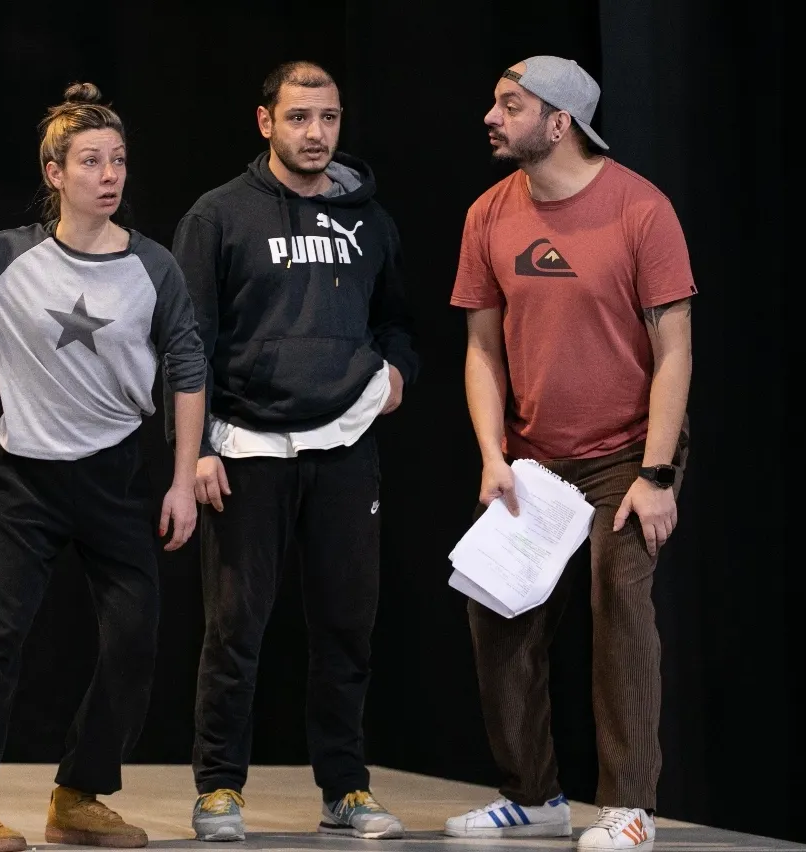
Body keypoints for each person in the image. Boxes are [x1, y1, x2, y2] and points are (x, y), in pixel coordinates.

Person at [0, 83, 207, 852]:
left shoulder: (153, 266)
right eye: (90, 161)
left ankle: (79, 795)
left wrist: (181, 479)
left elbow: (188, 365)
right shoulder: (12, 255)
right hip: (25, 481)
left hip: (116, 477)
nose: (109, 174)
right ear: (54, 173)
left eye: (118, 160)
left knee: (133, 637)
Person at [442, 57, 695, 851]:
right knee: (496, 607)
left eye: (509, 105)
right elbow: (481, 350)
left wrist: (656, 473)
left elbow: (674, 351)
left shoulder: (640, 209)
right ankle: (532, 795)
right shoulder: (488, 212)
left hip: (626, 448)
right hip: (532, 455)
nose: (491, 116)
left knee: (618, 602)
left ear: (559, 123)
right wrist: (493, 456)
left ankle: (630, 806)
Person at [165, 60, 419, 842]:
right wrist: (196, 449)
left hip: (343, 447)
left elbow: (396, 321)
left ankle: (345, 789)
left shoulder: (370, 221)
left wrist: (396, 373)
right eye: (299, 117)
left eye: (328, 118)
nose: (315, 133)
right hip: (244, 449)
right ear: (265, 121)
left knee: (346, 627)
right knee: (235, 630)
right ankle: (218, 789)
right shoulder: (217, 216)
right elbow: (185, 341)